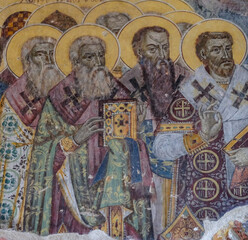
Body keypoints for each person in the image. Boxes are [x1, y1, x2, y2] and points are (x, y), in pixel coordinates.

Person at [22, 25, 153, 239]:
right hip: (72, 200)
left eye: (100, 56)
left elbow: (139, 148)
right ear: (76, 64)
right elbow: (40, 155)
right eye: (89, 57)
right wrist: (74, 140)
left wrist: (136, 129)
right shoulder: (58, 99)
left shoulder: (120, 93)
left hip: (115, 202)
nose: (96, 63)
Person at [153, 20, 248, 230]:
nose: (225, 55)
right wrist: (201, 137)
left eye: (227, 48)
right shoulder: (189, 93)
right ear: (203, 56)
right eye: (216, 50)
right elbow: (161, 147)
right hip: (202, 196)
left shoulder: (246, 82)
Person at [118, 16, 191, 236]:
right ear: (139, 52)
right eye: (152, 48)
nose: (160, 54)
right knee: (151, 215)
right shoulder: (126, 82)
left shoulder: (184, 77)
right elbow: (117, 131)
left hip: (181, 160)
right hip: (142, 163)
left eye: (164, 47)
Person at [0, 25, 63, 230]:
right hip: (21, 178)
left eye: (51, 54)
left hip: (55, 178)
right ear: (27, 61)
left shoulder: (63, 93)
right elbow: (9, 141)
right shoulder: (13, 96)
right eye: (40, 54)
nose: (48, 60)